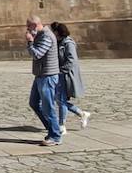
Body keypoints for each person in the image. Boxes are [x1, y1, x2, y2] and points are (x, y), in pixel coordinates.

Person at [25, 14, 61, 146]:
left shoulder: (46, 36)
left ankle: (55, 135)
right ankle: (51, 127)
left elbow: (37, 54)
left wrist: (30, 42)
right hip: (40, 75)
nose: (27, 29)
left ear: (34, 25)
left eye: (28, 26)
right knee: (34, 102)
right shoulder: (40, 35)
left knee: (48, 106)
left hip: (47, 76)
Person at [51, 22, 91, 130]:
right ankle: (81, 113)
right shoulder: (58, 43)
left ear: (57, 32)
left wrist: (60, 71)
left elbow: (72, 60)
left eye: (52, 31)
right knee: (59, 100)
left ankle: (61, 126)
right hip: (59, 75)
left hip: (66, 76)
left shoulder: (68, 43)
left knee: (61, 100)